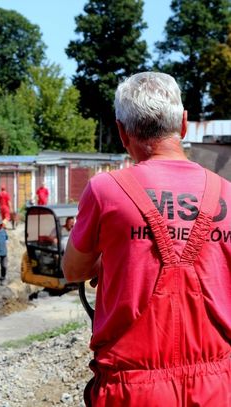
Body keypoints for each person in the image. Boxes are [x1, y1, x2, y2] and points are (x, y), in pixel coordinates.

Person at [62, 72, 231, 406]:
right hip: (218, 385)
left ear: (122, 132)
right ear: (183, 124)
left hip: (133, 389)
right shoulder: (227, 193)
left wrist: (111, 259)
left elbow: (74, 270)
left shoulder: (105, 190)